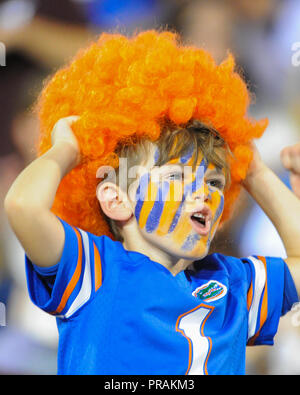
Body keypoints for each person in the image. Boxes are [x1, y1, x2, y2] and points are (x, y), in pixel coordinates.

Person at [4, 30, 299, 375]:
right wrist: (68, 150)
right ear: (115, 199)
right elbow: (23, 207)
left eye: (216, 181)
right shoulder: (95, 271)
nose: (204, 192)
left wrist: (256, 172)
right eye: (176, 177)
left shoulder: (234, 285)